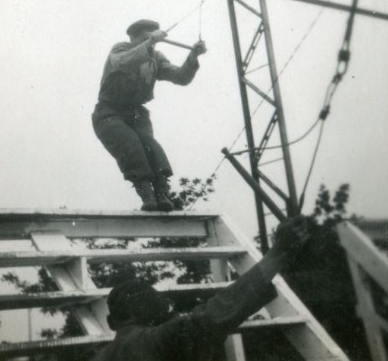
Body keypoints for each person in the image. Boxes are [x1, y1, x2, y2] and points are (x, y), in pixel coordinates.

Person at [91, 216, 309, 361]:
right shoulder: (157, 339)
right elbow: (213, 316)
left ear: (111, 322)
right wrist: (277, 253)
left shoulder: (101, 357)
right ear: (157, 311)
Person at [92, 19, 207, 211]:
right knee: (131, 146)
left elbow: (181, 77)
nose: (152, 43)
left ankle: (162, 194)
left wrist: (193, 55)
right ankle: (147, 195)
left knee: (152, 147)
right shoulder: (120, 49)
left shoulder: (156, 58)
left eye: (152, 38)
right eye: (146, 38)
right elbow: (123, 62)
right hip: (109, 112)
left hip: (137, 114)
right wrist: (149, 43)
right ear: (133, 38)